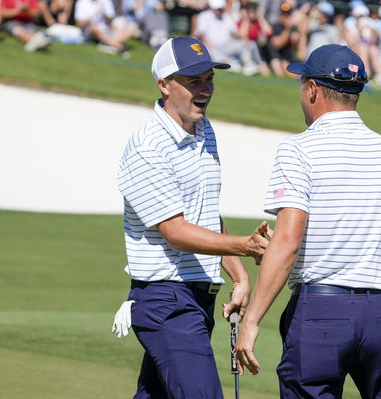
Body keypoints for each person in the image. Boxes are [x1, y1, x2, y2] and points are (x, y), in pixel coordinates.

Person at [236, 44, 381, 398]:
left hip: (321, 311)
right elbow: (349, 223)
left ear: (312, 89)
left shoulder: (297, 150)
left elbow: (288, 243)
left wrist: (252, 319)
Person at [111, 36, 270, 398]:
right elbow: (176, 231)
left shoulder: (204, 130)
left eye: (209, 79)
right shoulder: (148, 146)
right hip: (166, 301)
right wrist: (245, 246)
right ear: (164, 84)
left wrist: (239, 275)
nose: (205, 89)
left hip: (196, 299)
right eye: (193, 81)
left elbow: (205, 213)